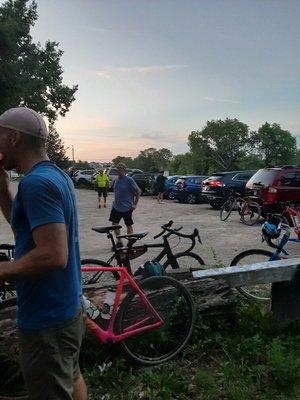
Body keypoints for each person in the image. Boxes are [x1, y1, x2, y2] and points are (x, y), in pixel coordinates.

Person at [0, 107, 87, 400]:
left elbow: (52, 255)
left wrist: (3, 270)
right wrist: (2, 191)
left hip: (47, 319)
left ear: (13, 138)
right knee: (71, 375)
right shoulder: (56, 176)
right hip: (67, 306)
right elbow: (28, 232)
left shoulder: (35, 184)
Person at [109, 163, 141, 247]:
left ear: (124, 170)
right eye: (117, 169)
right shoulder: (116, 180)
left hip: (127, 207)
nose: (118, 170)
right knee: (114, 224)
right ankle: (119, 242)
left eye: (120, 169)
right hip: (116, 207)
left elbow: (138, 192)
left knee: (128, 224)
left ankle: (130, 241)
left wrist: (135, 204)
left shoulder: (129, 180)